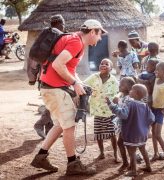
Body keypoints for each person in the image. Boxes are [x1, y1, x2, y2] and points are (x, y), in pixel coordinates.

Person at [30, 19, 106, 175]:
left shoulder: (74, 39)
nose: (99, 39)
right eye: (99, 35)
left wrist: (79, 83)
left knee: (60, 125)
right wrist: (74, 83)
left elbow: (68, 68)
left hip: (50, 88)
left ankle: (40, 157)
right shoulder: (76, 42)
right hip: (55, 89)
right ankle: (73, 165)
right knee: (69, 126)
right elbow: (58, 64)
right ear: (92, 31)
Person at [28, 14, 66, 139]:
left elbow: (34, 59)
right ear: (60, 24)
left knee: (51, 103)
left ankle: (50, 130)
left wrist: (32, 78)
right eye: (63, 24)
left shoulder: (45, 37)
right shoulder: (57, 37)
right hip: (53, 76)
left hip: (42, 77)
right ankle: (39, 124)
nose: (64, 26)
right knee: (54, 104)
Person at [106, 84, 155, 177]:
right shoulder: (145, 105)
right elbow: (151, 119)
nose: (130, 91)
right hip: (142, 133)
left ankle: (134, 170)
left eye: (132, 90)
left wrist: (110, 104)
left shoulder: (130, 103)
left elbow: (123, 114)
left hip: (131, 133)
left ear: (136, 94)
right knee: (143, 150)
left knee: (131, 152)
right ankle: (148, 166)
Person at [84, 58, 119, 162]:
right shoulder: (94, 77)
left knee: (112, 133)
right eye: (101, 63)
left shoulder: (114, 80)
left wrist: (117, 96)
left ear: (111, 68)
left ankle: (116, 154)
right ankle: (102, 153)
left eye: (106, 64)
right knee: (98, 133)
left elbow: (119, 91)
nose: (103, 65)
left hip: (110, 111)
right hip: (97, 110)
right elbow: (84, 85)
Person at [111, 77, 135, 172]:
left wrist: (113, 106)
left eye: (122, 84)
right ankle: (126, 163)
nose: (119, 86)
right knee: (120, 142)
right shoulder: (122, 96)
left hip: (128, 125)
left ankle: (131, 165)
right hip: (123, 124)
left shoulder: (129, 99)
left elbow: (125, 113)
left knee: (128, 145)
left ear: (129, 87)